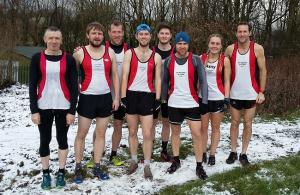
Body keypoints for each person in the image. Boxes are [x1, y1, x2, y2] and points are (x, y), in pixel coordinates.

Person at [29, 26, 78, 189]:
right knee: (45, 140)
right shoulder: (37, 58)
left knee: (62, 140)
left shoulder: (69, 59)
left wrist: (72, 111)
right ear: (45, 39)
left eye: (57, 38)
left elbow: (74, 87)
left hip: (63, 107)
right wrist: (34, 110)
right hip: (43, 106)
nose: (54, 41)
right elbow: (31, 86)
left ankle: (62, 172)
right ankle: (45, 173)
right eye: (50, 38)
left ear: (61, 40)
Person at [73, 22, 120, 183]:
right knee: (82, 134)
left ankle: (97, 165)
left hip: (105, 98)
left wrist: (116, 98)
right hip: (87, 98)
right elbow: (70, 74)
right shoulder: (80, 53)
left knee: (101, 133)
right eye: (93, 33)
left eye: (99, 33)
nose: (97, 36)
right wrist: (75, 90)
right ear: (88, 35)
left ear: (103, 36)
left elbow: (115, 76)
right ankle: (78, 167)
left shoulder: (110, 52)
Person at [161, 32, 209, 179]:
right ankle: (176, 160)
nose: (182, 46)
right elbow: (164, 82)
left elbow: (203, 82)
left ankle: (199, 165)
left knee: (196, 134)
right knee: (175, 133)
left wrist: (204, 102)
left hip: (192, 103)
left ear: (188, 45)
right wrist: (163, 101)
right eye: (179, 43)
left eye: (185, 44)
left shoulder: (196, 60)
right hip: (174, 103)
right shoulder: (168, 61)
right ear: (175, 44)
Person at [120, 23, 162, 180]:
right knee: (132, 131)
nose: (143, 37)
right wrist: (123, 96)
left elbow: (157, 78)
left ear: (150, 36)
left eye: (146, 34)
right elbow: (124, 75)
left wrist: (158, 98)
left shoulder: (156, 56)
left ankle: (147, 165)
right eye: (141, 34)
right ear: (136, 36)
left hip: (147, 96)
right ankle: (133, 160)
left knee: (146, 133)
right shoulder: (129, 53)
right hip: (131, 95)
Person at [225, 22, 267, 166]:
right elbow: (223, 68)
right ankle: (233, 151)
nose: (242, 34)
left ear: (249, 33)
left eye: (245, 31)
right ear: (236, 33)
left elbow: (263, 71)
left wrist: (261, 91)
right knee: (234, 123)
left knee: (248, 124)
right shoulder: (230, 49)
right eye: (239, 31)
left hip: (251, 93)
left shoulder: (258, 48)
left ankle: (243, 153)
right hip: (235, 93)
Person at [199, 34, 231, 165]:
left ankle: (212, 154)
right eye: (212, 43)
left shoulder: (225, 60)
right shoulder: (201, 58)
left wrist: (226, 98)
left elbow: (227, 81)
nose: (214, 46)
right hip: (203, 98)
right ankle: (202, 152)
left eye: (217, 43)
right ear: (208, 44)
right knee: (203, 128)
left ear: (221, 46)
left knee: (215, 128)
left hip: (218, 98)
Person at [152, 22, 173, 162]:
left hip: (169, 93)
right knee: (151, 123)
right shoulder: (151, 50)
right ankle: (149, 149)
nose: (164, 36)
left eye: (167, 33)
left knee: (166, 122)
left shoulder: (177, 51)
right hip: (152, 92)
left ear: (171, 36)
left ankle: (164, 150)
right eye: (162, 33)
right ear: (158, 35)